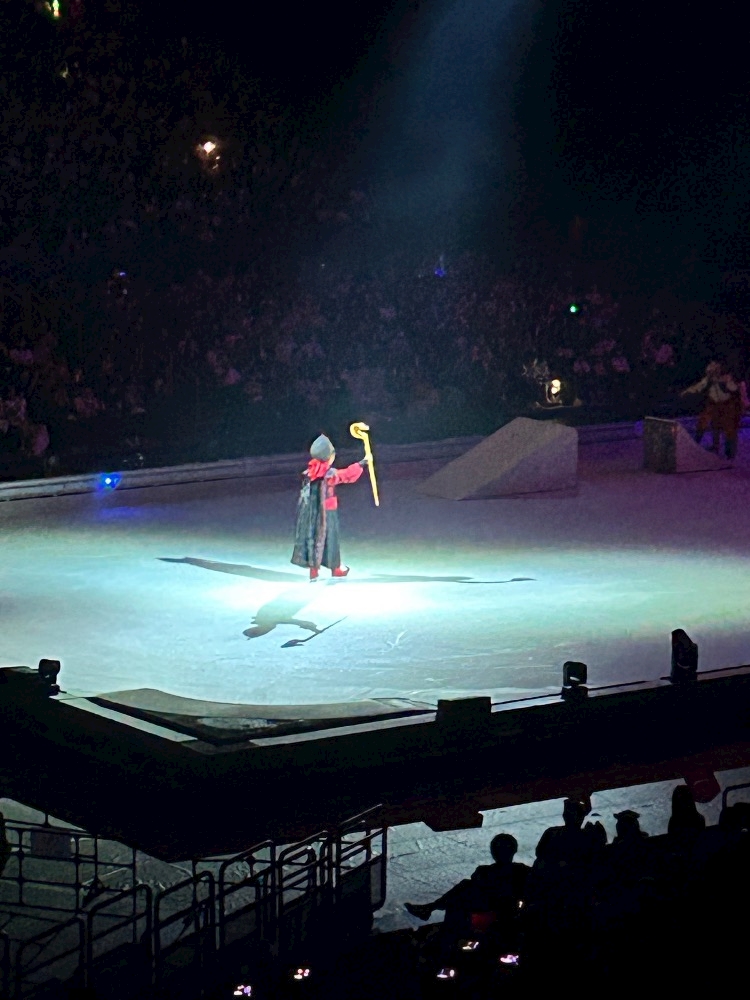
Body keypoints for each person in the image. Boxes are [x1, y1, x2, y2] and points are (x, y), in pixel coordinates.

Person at [291, 433, 367, 581]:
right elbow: (346, 475)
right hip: (327, 511)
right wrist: (361, 463)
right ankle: (335, 568)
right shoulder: (328, 474)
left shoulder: (309, 473)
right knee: (331, 539)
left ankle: (314, 570)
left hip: (312, 513)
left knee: (314, 537)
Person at [682, 360, 742, 459]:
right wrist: (687, 391)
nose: (711, 371)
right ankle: (702, 445)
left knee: (729, 428)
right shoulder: (708, 380)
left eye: (714, 369)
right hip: (713, 403)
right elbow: (699, 386)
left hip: (726, 405)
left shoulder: (725, 379)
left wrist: (727, 382)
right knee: (706, 422)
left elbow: (734, 388)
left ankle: (730, 453)